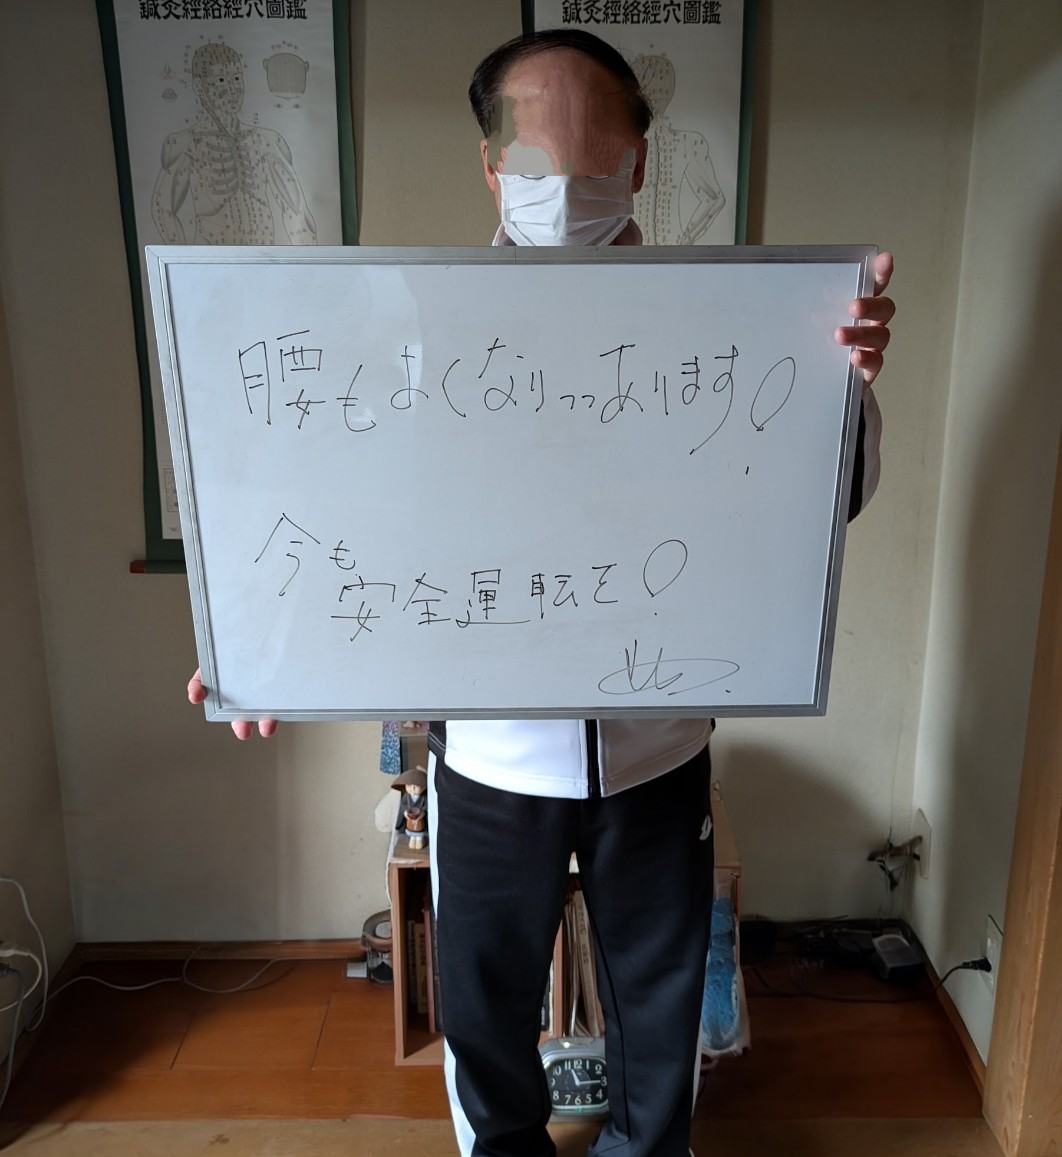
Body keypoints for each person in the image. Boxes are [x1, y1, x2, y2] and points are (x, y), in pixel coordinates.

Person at [188, 28, 894, 1157]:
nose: (564, 186)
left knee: (659, 1006)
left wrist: (842, 382)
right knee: (483, 1009)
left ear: (639, 164)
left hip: (658, 741)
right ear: (489, 169)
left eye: (594, 158)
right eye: (532, 163)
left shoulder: (733, 324)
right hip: (488, 753)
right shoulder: (410, 327)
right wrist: (259, 644)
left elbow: (822, 508)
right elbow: (339, 504)